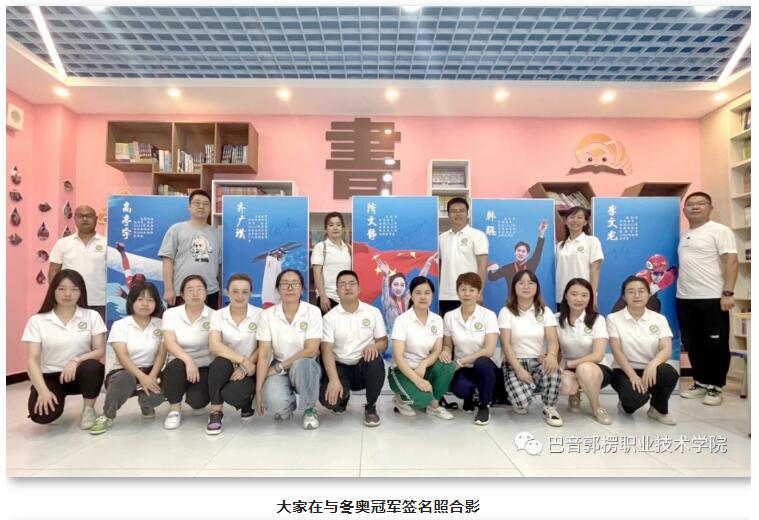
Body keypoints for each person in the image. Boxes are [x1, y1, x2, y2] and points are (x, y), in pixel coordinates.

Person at [21, 269, 106, 428]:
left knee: (93, 366)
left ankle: (88, 409)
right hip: (51, 376)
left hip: (79, 373)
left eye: (74, 289)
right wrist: (43, 391)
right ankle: (54, 397)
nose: (68, 294)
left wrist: (76, 360)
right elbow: (32, 360)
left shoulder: (91, 316)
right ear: (53, 290)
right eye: (61, 289)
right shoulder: (37, 321)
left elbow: (100, 350)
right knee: (42, 416)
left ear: (81, 292)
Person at [676, 191, 738, 406]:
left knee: (715, 344)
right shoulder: (684, 234)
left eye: (700, 203)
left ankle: (715, 386)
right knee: (692, 343)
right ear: (684, 210)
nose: (695, 207)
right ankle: (700, 382)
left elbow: (731, 261)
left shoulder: (720, 231)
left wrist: (728, 292)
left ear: (710, 208)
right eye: (690, 204)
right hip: (685, 297)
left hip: (712, 297)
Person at [90, 282, 167, 434]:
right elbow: (122, 356)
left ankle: (146, 404)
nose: (145, 304)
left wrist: (151, 376)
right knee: (124, 379)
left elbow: (161, 354)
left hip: (152, 371)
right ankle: (107, 415)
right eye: (140, 299)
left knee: (159, 392)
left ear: (156, 303)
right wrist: (142, 377)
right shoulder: (120, 325)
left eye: (150, 300)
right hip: (124, 371)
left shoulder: (162, 325)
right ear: (131, 301)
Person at [255, 269, 323, 430]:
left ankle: (309, 409)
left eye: (295, 283)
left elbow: (311, 350)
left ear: (302, 289)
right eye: (285, 283)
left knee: (302, 364)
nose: (290, 287)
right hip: (279, 362)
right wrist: (258, 391)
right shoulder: (267, 315)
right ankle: (287, 406)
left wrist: (278, 367)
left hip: (306, 364)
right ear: (278, 289)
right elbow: (264, 354)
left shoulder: (313, 312)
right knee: (275, 402)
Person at [319, 270, 387, 426]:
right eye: (342, 284)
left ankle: (371, 406)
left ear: (359, 288)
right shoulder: (329, 318)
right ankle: (343, 397)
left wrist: (374, 346)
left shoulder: (372, 312)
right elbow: (326, 350)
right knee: (328, 401)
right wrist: (334, 380)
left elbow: (383, 342)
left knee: (375, 359)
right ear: (337, 291)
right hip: (340, 368)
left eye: (352, 283)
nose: (347, 287)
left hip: (364, 366)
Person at [608, 276, 679, 425]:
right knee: (635, 399)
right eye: (631, 292)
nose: (637, 295)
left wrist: (653, 364)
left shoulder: (659, 319)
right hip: (624, 370)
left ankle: (658, 409)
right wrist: (633, 376)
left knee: (669, 373)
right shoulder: (613, 318)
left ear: (648, 294)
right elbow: (617, 350)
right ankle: (625, 405)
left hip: (650, 369)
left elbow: (666, 349)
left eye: (641, 291)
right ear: (624, 296)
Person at [499, 269, 563, 426]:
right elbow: (505, 343)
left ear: (537, 288)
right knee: (522, 403)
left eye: (530, 283)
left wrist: (551, 355)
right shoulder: (506, 312)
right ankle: (522, 392)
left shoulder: (545, 311)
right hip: (514, 362)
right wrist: (519, 369)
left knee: (553, 368)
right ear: (514, 287)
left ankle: (549, 407)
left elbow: (553, 340)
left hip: (538, 360)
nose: (526, 286)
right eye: (521, 283)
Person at [388, 276, 456, 419]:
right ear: (411, 296)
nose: (423, 297)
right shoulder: (402, 321)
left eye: (427, 293)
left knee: (448, 365)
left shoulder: (437, 320)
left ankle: (434, 406)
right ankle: (400, 399)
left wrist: (423, 364)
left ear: (432, 295)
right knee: (422, 400)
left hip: (424, 369)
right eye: (418, 293)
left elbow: (437, 350)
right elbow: (398, 357)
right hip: (402, 371)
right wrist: (418, 380)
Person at [205, 273, 262, 435]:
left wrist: (245, 367)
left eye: (245, 292)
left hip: (251, 368)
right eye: (235, 291)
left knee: (233, 394)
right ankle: (216, 412)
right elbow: (214, 345)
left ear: (250, 293)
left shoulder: (260, 314)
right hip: (227, 365)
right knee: (218, 363)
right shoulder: (218, 315)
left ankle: (246, 402)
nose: (240, 296)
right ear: (227, 292)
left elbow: (263, 347)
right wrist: (242, 360)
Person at [440, 272, 500, 426]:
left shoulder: (488, 315)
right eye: (463, 289)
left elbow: (489, 350)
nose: (467, 294)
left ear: (479, 293)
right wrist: (446, 351)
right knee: (460, 388)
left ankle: (484, 406)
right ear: (457, 292)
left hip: (485, 366)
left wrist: (460, 361)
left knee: (482, 362)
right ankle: (470, 396)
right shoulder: (449, 316)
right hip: (463, 368)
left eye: (472, 290)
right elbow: (448, 344)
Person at [555, 278, 613, 425]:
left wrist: (569, 364)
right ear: (566, 295)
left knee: (584, 369)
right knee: (565, 385)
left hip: (596, 367)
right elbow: (554, 349)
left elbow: (598, 355)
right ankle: (574, 393)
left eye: (584, 295)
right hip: (568, 367)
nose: (578, 299)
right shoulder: (556, 319)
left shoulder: (598, 319)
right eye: (574, 294)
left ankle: (596, 407)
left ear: (590, 298)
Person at [160, 275, 214, 430]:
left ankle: (194, 396)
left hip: (204, 365)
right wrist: (188, 360)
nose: (195, 294)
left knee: (197, 401)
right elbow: (169, 342)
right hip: (178, 363)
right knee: (176, 366)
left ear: (206, 293)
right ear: (182, 294)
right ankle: (174, 409)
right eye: (190, 290)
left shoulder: (214, 315)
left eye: (199, 289)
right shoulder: (170, 314)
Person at [158, 190, 222, 309]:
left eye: (206, 203)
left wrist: (221, 291)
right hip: (181, 291)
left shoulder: (218, 234)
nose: (201, 206)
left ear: (210, 208)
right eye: (197, 203)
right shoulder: (176, 229)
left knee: (209, 321)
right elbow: (167, 260)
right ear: (189, 206)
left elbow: (219, 265)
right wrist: (168, 289)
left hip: (210, 291)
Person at [48, 205, 107, 320]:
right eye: (81, 216)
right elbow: (53, 271)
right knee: (70, 331)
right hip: (70, 299)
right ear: (75, 219)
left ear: (96, 219)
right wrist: (56, 296)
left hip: (99, 301)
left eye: (88, 216)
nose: (85, 219)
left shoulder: (106, 243)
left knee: (99, 331)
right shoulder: (62, 243)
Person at [438, 198, 489, 316]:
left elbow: (482, 266)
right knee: (448, 326)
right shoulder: (442, 238)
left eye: (461, 210)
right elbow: (440, 266)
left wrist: (479, 292)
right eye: (454, 211)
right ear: (448, 214)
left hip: (469, 293)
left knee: (470, 326)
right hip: (446, 295)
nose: (458, 214)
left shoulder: (477, 235)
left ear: (467, 213)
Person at [376, 253, 437, 336]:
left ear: (405, 287)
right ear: (390, 286)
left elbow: (419, 280)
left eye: (402, 285)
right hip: (394, 338)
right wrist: (386, 276)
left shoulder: (407, 298)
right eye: (395, 284)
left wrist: (428, 263)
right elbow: (385, 291)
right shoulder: (388, 302)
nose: (399, 288)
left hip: (410, 336)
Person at [554, 207, 604, 306]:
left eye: (579, 217)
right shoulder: (559, 246)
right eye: (572, 217)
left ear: (585, 222)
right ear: (566, 221)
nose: (575, 220)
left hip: (582, 295)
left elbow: (595, 269)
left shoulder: (592, 241)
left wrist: (593, 295)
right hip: (562, 295)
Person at [487, 220, 548, 298]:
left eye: (523, 251)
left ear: (527, 254)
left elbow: (538, 251)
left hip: (528, 300)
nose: (520, 253)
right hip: (512, 301)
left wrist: (541, 233)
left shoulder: (531, 265)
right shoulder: (507, 268)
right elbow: (492, 278)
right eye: (518, 250)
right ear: (515, 252)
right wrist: (491, 269)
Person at [311, 212, 352, 315]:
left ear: (343, 228)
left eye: (338, 225)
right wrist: (323, 296)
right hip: (328, 298)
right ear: (325, 229)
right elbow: (317, 273)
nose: (335, 228)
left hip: (346, 298)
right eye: (331, 225)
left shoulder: (349, 248)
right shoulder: (320, 247)